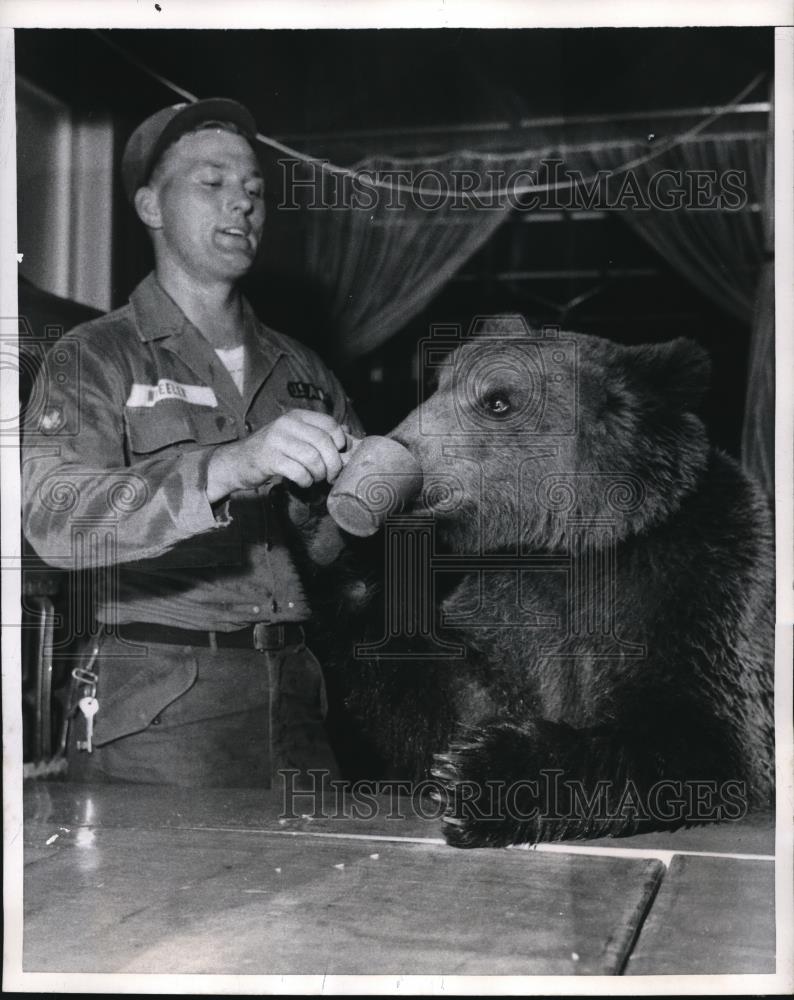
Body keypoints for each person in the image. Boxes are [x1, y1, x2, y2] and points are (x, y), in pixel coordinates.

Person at [21, 98, 363, 788]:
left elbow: (338, 555)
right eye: (213, 184)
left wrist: (351, 500)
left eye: (255, 191)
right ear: (150, 205)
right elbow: (54, 520)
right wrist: (229, 465)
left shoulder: (303, 369)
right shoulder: (94, 356)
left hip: (299, 701)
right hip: (160, 713)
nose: (242, 204)